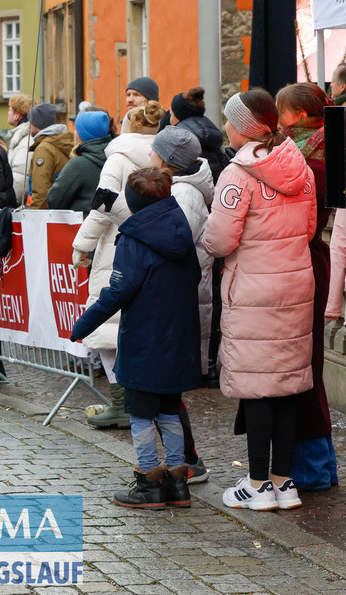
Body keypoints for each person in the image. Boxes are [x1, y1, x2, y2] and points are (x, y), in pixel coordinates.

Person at [203, 89, 316, 512]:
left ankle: (256, 485)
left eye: (231, 121)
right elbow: (308, 228)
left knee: (257, 390)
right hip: (294, 285)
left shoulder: (238, 173)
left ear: (244, 127)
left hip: (252, 288)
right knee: (285, 386)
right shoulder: (298, 164)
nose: (226, 128)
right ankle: (284, 483)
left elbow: (219, 239)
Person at [72, 167, 201, 509]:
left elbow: (119, 290)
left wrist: (83, 324)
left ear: (133, 201)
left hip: (145, 338)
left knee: (142, 413)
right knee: (170, 410)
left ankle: (148, 482)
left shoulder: (133, 238)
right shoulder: (179, 228)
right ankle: (177, 483)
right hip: (177, 336)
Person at [72, 101, 165, 429]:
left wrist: (80, 246)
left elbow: (101, 206)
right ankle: (139, 400)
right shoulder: (162, 155)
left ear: (126, 126)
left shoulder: (118, 158)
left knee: (106, 329)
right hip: (156, 244)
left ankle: (122, 403)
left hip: (117, 246)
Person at [276, 82, 339, 492]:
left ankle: (313, 470)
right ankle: (320, 467)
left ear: (297, 117)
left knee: (302, 368)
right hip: (310, 260)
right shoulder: (323, 150)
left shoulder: (305, 162)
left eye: (281, 113)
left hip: (302, 262)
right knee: (305, 365)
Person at [148, 125, 214, 484]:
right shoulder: (178, 189)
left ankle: (188, 461)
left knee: (165, 388)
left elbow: (174, 243)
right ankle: (184, 459)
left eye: (154, 151)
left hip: (175, 300)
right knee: (164, 387)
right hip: (172, 296)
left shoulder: (185, 195)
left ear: (166, 159)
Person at [168, 86, 230, 387]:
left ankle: (197, 365)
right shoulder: (216, 138)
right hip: (215, 227)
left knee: (196, 302)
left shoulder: (181, 143)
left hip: (196, 230)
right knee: (213, 301)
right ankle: (210, 364)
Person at [47, 108, 112, 215]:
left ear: (84, 134)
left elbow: (54, 199)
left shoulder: (78, 165)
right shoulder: (115, 156)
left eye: (77, 129)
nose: (74, 132)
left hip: (82, 225)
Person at [27, 102, 74, 209]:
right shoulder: (60, 142)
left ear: (38, 124)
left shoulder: (43, 149)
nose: (28, 125)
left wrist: (32, 217)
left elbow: (40, 191)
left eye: (31, 122)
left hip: (45, 214)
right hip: (59, 210)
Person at [5, 94, 34, 200]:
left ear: (16, 116)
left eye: (9, 110)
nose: (7, 113)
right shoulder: (20, 138)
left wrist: (7, 201)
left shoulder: (25, 142)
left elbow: (20, 181)